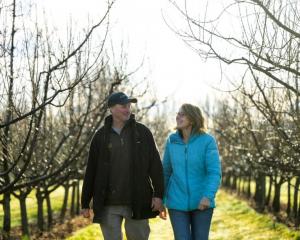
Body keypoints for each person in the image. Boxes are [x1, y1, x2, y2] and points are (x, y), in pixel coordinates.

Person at [81, 92, 164, 240]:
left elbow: (155, 166)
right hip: (108, 203)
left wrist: (158, 195)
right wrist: (85, 202)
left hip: (137, 200)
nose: (127, 109)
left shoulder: (143, 133)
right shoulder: (100, 137)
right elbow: (91, 171)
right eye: (123, 106)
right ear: (111, 109)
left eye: (129, 106)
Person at [161, 103, 221, 240]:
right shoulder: (171, 141)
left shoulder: (207, 141)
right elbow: (166, 172)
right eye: (178, 113)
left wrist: (208, 196)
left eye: (182, 114)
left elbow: (214, 172)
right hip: (176, 202)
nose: (178, 116)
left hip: (202, 202)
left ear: (193, 119)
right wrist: (161, 199)